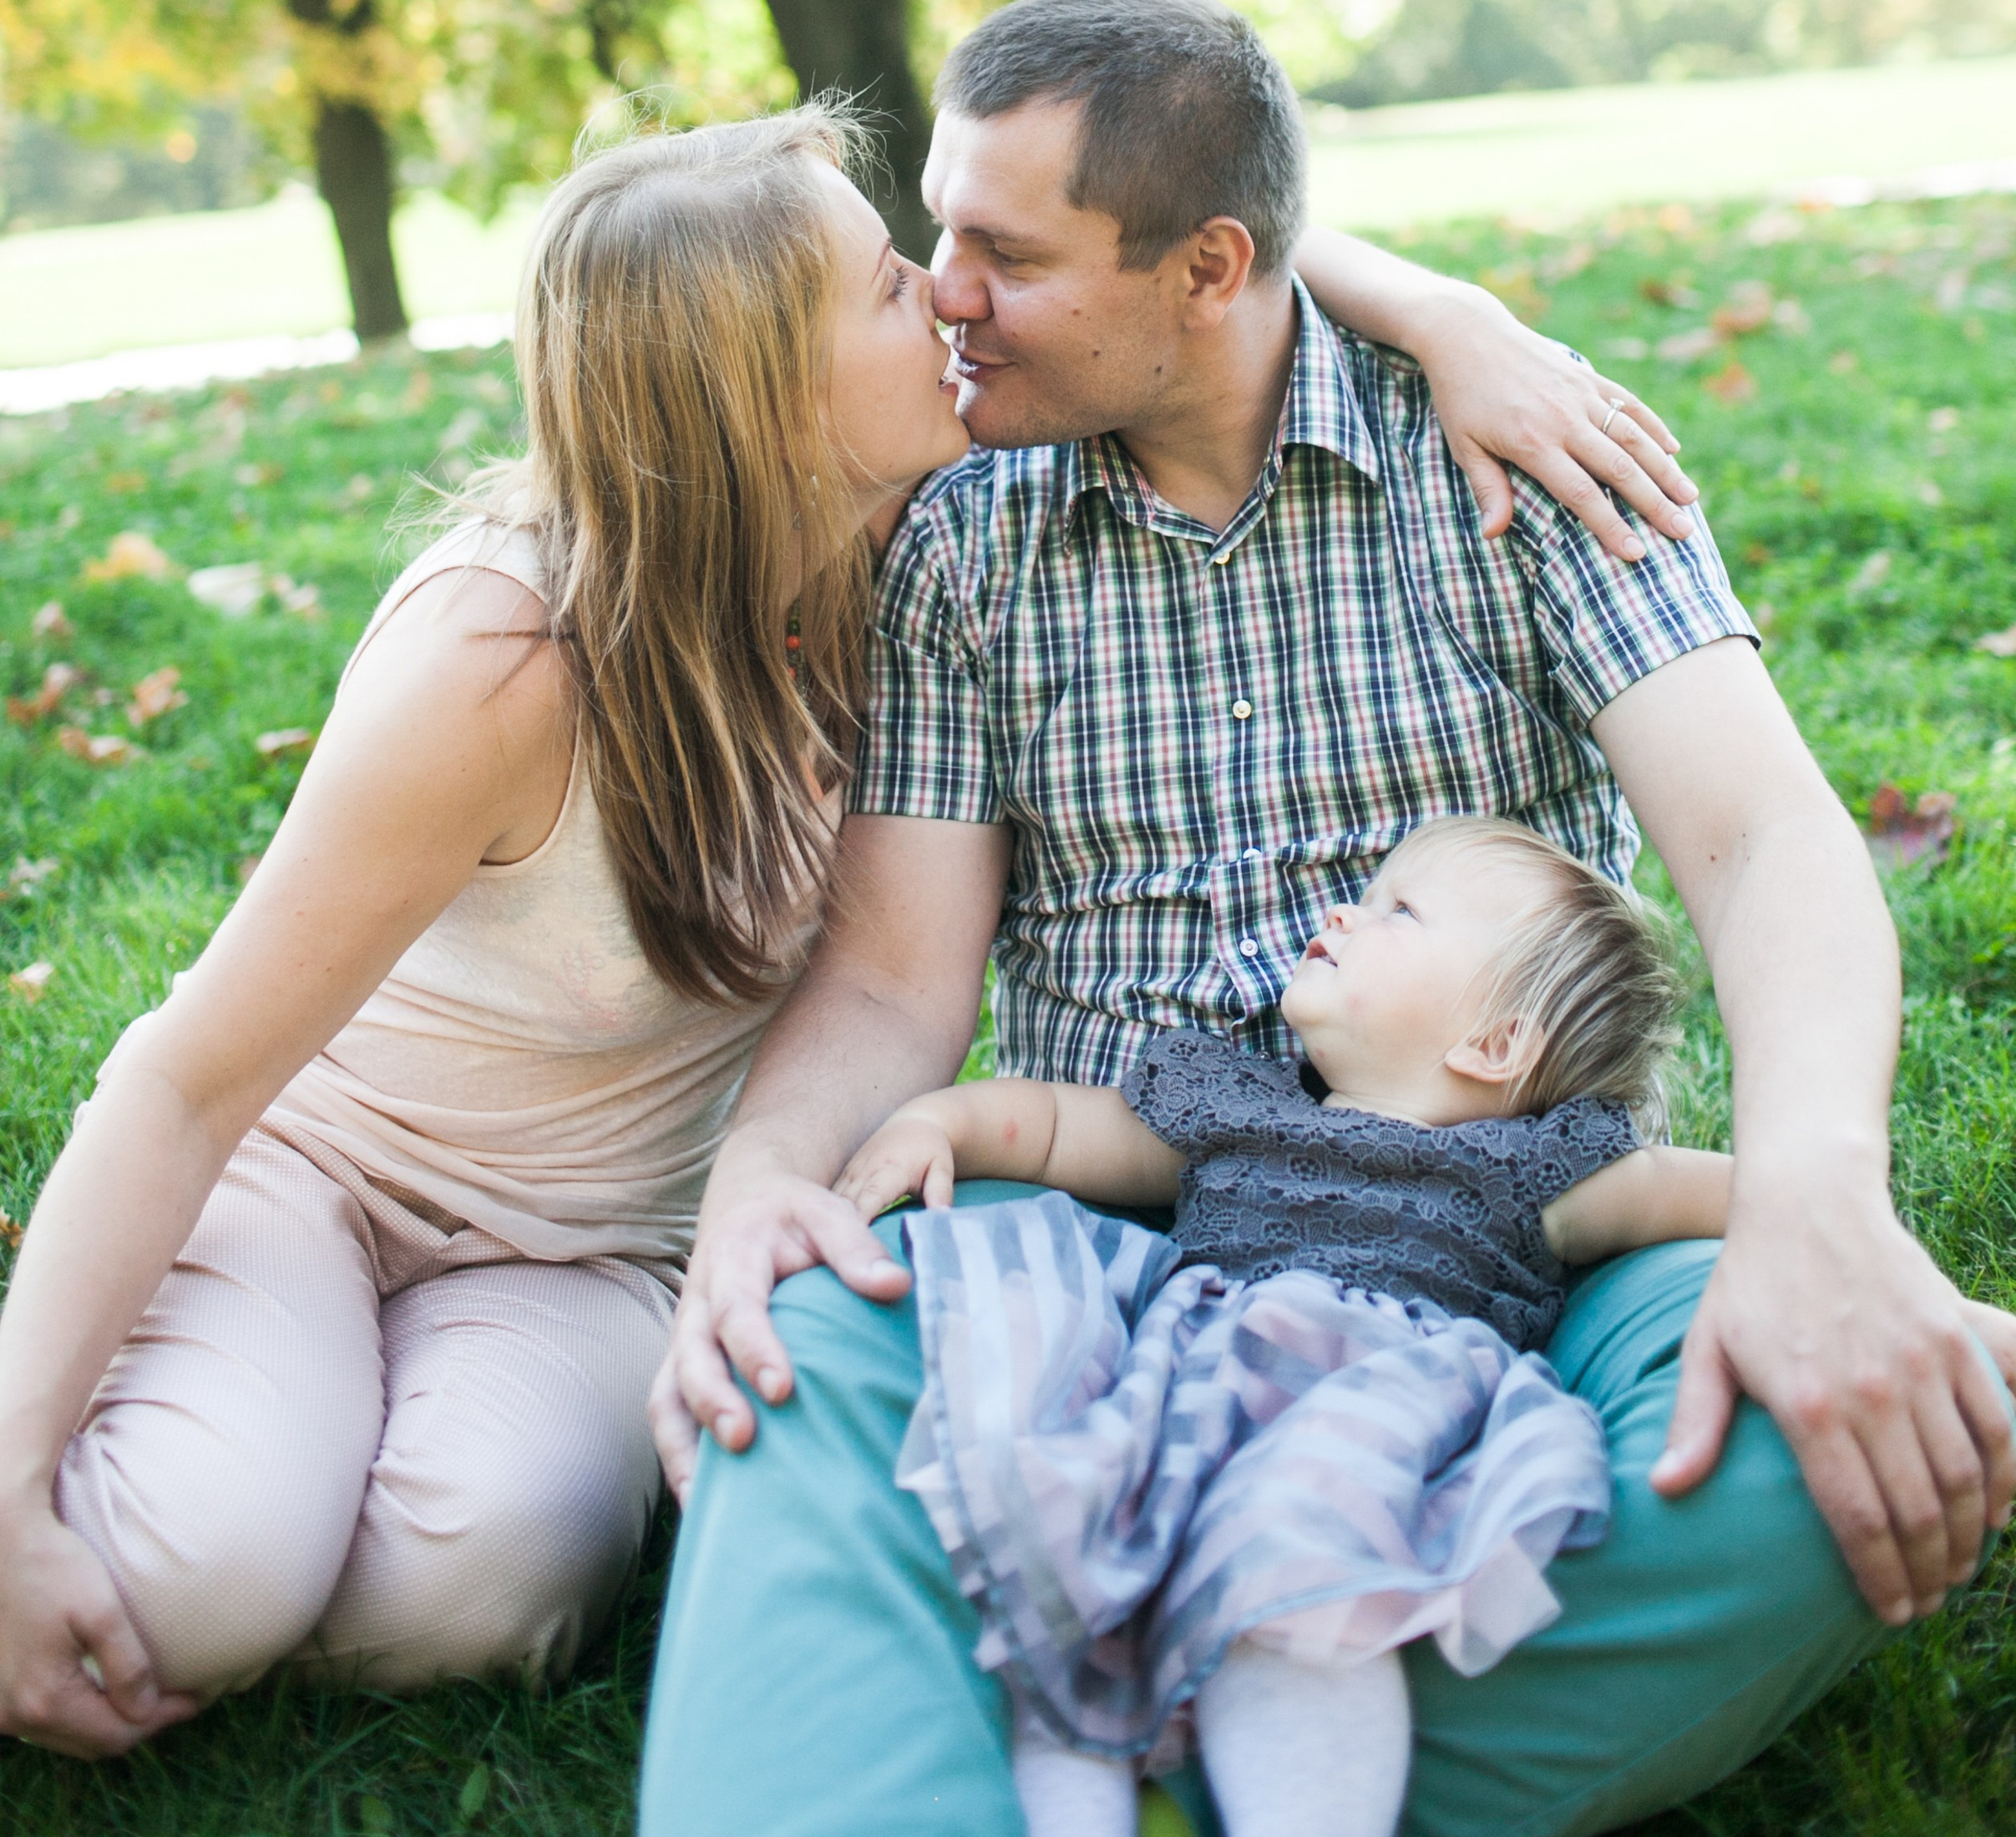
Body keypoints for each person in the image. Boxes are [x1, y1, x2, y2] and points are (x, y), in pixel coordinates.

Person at [0, 89, 1667, 1762]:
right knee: (199, 1572)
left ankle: (291, 1479)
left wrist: (1453, 317)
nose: (946, 297)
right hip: (327, 1176)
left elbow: (1197, 266)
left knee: (457, 1607)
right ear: (762, 400)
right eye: (885, 285)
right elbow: (184, 1081)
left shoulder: (907, 553)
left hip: (599, 1256)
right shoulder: (502, 655)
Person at [641, 0, 2016, 1837]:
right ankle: (1260, 1728)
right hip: (1106, 1256)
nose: (946, 292)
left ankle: (1106, 1715)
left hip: (1514, 1263)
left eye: (1004, 253)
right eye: (933, 241)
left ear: (1207, 270)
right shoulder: (962, 535)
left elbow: (1761, 841)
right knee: (800, 1346)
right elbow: (897, 971)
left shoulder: (1517, 457)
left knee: (1803, 1442)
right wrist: (758, 1197)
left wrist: (1811, 1193)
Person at [833, 817, 2016, 1837]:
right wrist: (939, 1122)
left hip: (1370, 1422)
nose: (1348, 915)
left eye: (1398, 912)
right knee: (1069, 1576)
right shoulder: (1234, 1107)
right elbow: (1050, 1127)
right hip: (1180, 1400)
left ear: (1494, 1044)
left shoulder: (1533, 1170)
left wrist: (1917, 1299)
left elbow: (1760, 1196)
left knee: (1304, 1600)